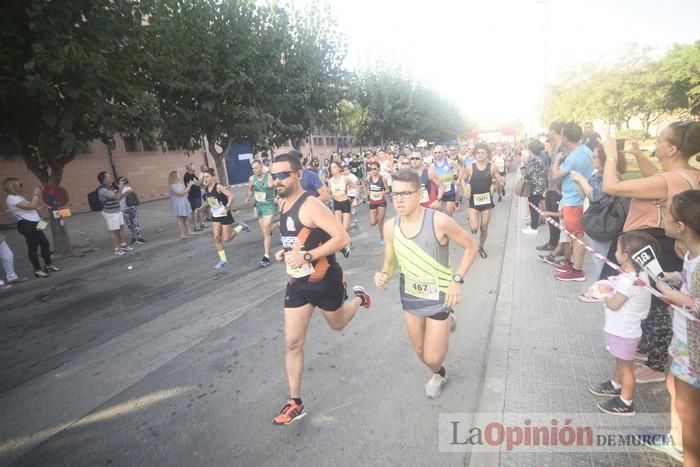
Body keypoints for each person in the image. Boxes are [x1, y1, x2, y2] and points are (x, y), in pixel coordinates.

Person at [270, 153, 372, 425]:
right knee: (293, 342)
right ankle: (295, 402)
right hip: (298, 284)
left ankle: (360, 298)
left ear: (298, 175)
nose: (276, 180)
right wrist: (285, 252)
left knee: (337, 325)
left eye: (282, 175)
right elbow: (299, 241)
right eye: (273, 175)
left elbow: (342, 237)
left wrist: (306, 257)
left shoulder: (311, 204)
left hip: (325, 279)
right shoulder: (282, 203)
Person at [602, 121, 700, 385]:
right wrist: (637, 154)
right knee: (653, 300)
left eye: (659, 142)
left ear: (671, 149)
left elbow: (611, 186)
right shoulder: (689, 174)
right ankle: (650, 353)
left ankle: (655, 364)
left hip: (651, 242)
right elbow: (656, 179)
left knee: (654, 303)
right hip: (665, 243)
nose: (655, 146)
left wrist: (611, 155)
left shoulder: (670, 181)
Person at [374, 169, 478, 398]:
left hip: (439, 296)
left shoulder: (439, 221)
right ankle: (438, 373)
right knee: (420, 350)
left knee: (432, 356)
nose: (398, 199)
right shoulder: (390, 226)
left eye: (405, 193)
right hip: (410, 296)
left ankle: (438, 368)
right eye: (394, 194)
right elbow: (390, 263)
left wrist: (456, 280)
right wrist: (383, 274)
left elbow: (472, 246)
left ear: (419, 194)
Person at [587, 231, 655, 416]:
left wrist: (603, 295)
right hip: (627, 329)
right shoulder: (640, 275)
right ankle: (615, 385)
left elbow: (615, 304)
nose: (614, 252)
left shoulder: (628, 281)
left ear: (626, 255)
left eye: (617, 249)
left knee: (627, 368)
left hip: (623, 331)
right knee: (621, 362)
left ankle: (626, 402)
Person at [657, 189, 700, 465]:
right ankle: (678, 441)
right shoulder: (691, 255)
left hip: (693, 350)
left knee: (689, 414)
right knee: (674, 387)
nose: (662, 219)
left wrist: (678, 298)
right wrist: (675, 278)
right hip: (683, 340)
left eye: (665, 215)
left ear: (680, 226)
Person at [570, 143, 626, 286]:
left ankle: (603, 288)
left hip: (605, 223)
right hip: (596, 221)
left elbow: (597, 197)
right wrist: (578, 182)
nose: (592, 160)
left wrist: (582, 180)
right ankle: (602, 286)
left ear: (603, 159)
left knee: (602, 258)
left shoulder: (611, 177)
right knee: (598, 258)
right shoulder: (596, 175)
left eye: (595, 157)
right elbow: (585, 196)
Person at [549, 122, 594, 281]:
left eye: (561, 134)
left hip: (573, 200)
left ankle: (577, 270)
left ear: (565, 137)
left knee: (577, 236)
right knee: (575, 235)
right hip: (580, 198)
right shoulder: (586, 150)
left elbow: (555, 175)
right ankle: (573, 263)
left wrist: (557, 159)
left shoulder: (573, 157)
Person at [3, 178, 60, 276]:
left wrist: (41, 218)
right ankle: (37, 269)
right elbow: (31, 206)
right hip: (27, 224)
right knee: (33, 246)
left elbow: (31, 209)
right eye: (20, 184)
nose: (22, 186)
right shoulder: (11, 198)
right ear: (12, 186)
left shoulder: (18, 197)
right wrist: (36, 193)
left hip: (35, 222)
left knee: (45, 243)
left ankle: (48, 265)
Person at [460, 144, 505, 259]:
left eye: (482, 152)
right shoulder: (470, 167)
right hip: (473, 201)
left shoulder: (492, 167)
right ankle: (471, 218)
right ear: (475, 154)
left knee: (484, 228)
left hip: (486, 201)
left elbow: (498, 178)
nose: (480, 155)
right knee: (474, 228)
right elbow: (462, 180)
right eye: (478, 153)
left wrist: (501, 181)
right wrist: (465, 189)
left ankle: (480, 247)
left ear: (487, 154)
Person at [198, 169, 248, 269]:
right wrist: (200, 208)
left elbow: (231, 196)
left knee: (227, 239)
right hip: (215, 216)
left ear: (213, 177)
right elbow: (209, 201)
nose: (205, 179)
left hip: (224, 215)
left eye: (207, 177)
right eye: (204, 177)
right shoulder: (206, 189)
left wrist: (227, 207)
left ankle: (240, 227)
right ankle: (223, 260)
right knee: (216, 238)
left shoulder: (218, 187)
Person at [537, 121, 565, 252]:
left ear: (553, 131)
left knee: (557, 218)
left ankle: (559, 245)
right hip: (551, 188)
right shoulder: (554, 147)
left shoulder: (562, 148)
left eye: (549, 131)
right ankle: (552, 241)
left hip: (558, 190)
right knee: (551, 217)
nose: (548, 134)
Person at [95, 171, 134, 256]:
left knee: (121, 228)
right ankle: (117, 248)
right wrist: (120, 189)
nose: (111, 178)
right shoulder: (102, 190)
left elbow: (117, 199)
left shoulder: (110, 187)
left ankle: (123, 245)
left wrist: (126, 192)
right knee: (113, 232)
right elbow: (116, 196)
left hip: (117, 210)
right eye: (108, 177)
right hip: (110, 213)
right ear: (104, 179)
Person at [246, 160, 276, 267]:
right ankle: (276, 225)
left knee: (266, 232)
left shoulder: (269, 177)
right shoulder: (251, 179)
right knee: (265, 231)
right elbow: (250, 189)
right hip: (259, 207)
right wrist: (248, 197)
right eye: (253, 168)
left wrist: (277, 196)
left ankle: (266, 257)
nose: (255, 170)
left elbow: (277, 188)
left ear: (261, 167)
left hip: (269, 206)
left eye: (256, 168)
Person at [520, 140, 548, 235]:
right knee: (536, 206)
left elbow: (527, 174)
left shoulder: (533, 159)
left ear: (531, 149)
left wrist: (523, 165)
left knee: (533, 208)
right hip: (540, 186)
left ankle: (534, 228)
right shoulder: (541, 158)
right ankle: (534, 225)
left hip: (534, 187)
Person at [168, 170, 200, 240]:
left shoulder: (181, 184)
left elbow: (186, 192)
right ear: (175, 177)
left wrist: (189, 186)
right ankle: (182, 234)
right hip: (178, 204)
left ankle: (188, 231)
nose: (179, 175)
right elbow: (181, 193)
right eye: (178, 174)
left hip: (184, 202)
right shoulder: (172, 186)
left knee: (186, 217)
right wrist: (189, 186)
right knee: (180, 219)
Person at [366, 160, 389, 246]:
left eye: (375, 169)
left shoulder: (383, 178)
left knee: (380, 221)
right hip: (373, 202)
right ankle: (384, 219)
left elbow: (387, 189)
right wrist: (368, 196)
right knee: (372, 222)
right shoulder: (369, 179)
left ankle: (382, 237)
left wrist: (383, 192)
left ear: (378, 169)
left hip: (381, 202)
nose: (373, 171)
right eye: (371, 169)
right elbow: (367, 188)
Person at [118, 177, 146, 245]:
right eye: (121, 181)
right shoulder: (117, 190)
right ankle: (134, 237)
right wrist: (123, 191)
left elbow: (132, 194)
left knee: (135, 223)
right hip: (124, 209)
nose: (123, 182)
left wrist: (130, 191)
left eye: (123, 181)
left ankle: (139, 237)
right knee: (129, 224)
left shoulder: (128, 188)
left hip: (132, 207)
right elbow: (118, 198)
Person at [432, 145, 459, 216]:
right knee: (440, 216)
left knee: (448, 216)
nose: (437, 154)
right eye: (436, 153)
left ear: (443, 153)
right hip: (439, 194)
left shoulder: (450, 162)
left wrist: (458, 182)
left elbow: (461, 170)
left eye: (439, 152)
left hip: (450, 192)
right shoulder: (432, 166)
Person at [184, 163, 204, 232]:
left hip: (198, 194)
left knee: (200, 209)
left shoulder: (194, 175)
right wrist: (202, 178)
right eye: (192, 166)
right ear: (189, 168)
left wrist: (201, 180)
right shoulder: (186, 176)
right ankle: (196, 226)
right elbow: (197, 183)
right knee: (195, 210)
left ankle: (202, 223)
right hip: (193, 196)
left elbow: (199, 183)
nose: (194, 167)